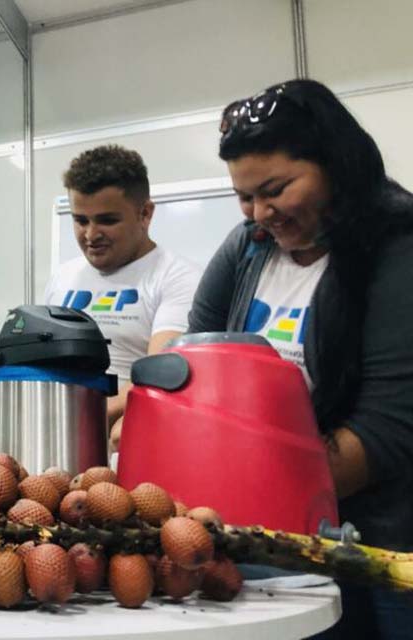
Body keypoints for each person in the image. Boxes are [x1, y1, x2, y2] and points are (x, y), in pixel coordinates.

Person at [191, 79, 413, 639]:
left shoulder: (398, 245)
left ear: (336, 165)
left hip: (383, 544)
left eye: (277, 189)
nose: (261, 213)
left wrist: (239, 493)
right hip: (274, 534)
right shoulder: (248, 247)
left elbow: (385, 433)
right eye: (245, 196)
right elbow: (196, 360)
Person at [43, 145, 200, 446]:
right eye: (80, 220)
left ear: (145, 213)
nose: (90, 234)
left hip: (134, 447)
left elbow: (160, 371)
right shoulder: (62, 277)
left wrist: (80, 418)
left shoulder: (179, 278)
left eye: (107, 220)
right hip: (61, 442)